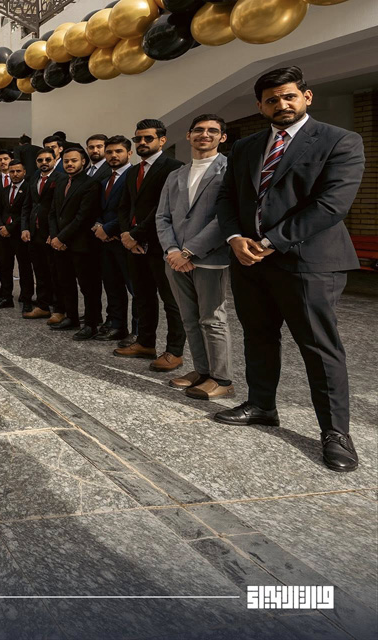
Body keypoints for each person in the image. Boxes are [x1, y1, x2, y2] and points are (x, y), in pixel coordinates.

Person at [213, 66, 365, 473]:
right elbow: (226, 198)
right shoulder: (246, 147)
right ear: (260, 106)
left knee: (319, 347)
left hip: (308, 263)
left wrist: (269, 242)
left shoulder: (339, 140)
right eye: (272, 100)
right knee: (259, 337)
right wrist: (235, 238)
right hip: (249, 262)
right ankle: (262, 405)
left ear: (306, 97)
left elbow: (331, 205)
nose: (281, 104)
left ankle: (335, 433)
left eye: (289, 96)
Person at [156, 114, 234, 400]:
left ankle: (222, 379)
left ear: (222, 137)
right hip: (175, 259)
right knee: (189, 318)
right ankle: (202, 372)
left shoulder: (230, 170)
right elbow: (162, 217)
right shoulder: (176, 174)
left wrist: (190, 251)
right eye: (198, 130)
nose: (205, 134)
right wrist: (172, 251)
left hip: (209, 258)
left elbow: (225, 216)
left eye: (213, 130)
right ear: (188, 135)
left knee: (212, 319)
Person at [113, 119, 185, 372]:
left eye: (148, 138)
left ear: (162, 140)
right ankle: (145, 343)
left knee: (171, 300)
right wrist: (126, 234)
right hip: (134, 245)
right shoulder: (134, 171)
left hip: (160, 244)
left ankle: (174, 351)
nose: (142, 142)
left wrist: (136, 234)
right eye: (138, 139)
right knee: (143, 296)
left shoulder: (174, 168)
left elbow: (164, 208)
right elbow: (124, 206)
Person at [48, 146, 102, 339]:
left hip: (81, 244)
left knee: (88, 287)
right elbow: (53, 213)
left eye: (74, 160)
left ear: (83, 162)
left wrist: (61, 238)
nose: (69, 164)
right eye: (66, 161)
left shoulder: (91, 184)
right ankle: (71, 317)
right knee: (65, 282)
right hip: (60, 244)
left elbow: (83, 217)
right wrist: (55, 237)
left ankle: (91, 324)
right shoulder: (61, 182)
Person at [90, 136, 136, 344]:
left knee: (135, 289)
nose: (113, 155)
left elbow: (131, 209)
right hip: (106, 242)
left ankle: (138, 332)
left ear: (129, 153)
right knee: (112, 286)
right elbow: (101, 209)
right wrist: (99, 226)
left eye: (118, 151)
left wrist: (108, 229)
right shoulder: (105, 180)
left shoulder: (133, 176)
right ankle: (117, 324)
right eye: (109, 152)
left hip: (126, 240)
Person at [20, 148, 61, 324]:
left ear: (54, 160)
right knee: (40, 271)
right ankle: (43, 306)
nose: (44, 163)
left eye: (47, 159)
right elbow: (27, 206)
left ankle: (59, 309)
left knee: (55, 272)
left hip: (51, 234)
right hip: (34, 233)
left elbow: (59, 209)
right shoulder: (34, 178)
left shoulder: (60, 178)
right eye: (40, 160)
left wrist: (54, 233)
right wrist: (25, 228)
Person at [0, 159, 32, 311]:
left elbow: (25, 212)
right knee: (4, 267)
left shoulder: (29, 189)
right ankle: (6, 297)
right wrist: (1, 227)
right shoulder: (4, 191)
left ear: (24, 172)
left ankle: (26, 298)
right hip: (3, 235)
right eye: (12, 171)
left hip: (19, 234)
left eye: (18, 171)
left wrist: (9, 228)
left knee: (24, 268)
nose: (15, 174)